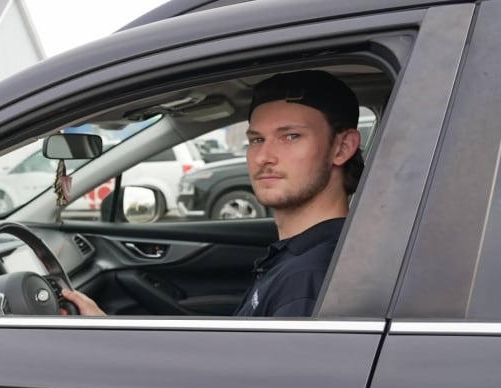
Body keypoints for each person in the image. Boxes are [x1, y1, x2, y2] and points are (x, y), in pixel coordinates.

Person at [61, 69, 364, 317]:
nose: (263, 157)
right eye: (256, 140)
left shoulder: (310, 278)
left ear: (342, 147)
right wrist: (107, 330)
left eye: (291, 136)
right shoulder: (301, 254)